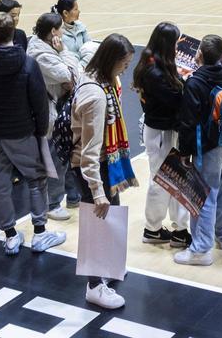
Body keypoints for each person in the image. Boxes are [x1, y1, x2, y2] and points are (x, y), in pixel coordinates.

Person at [0, 12, 62, 255]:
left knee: (0, 185)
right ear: (13, 32)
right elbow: (40, 102)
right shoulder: (28, 64)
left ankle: (10, 236)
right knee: (36, 180)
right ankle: (40, 233)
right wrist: (41, 130)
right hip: (22, 133)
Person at [71, 32, 138, 310]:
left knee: (109, 218)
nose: (125, 69)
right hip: (93, 167)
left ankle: (108, 269)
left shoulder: (98, 80)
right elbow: (88, 152)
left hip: (103, 164)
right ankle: (94, 286)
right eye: (123, 64)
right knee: (97, 222)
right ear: (111, 61)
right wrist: (97, 192)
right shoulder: (97, 96)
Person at [175, 34, 222, 266]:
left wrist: (183, 151)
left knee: (203, 195)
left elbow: (188, 122)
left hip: (208, 146)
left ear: (198, 54)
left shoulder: (195, 82)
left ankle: (201, 249)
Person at [132, 21, 192, 246]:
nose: (179, 47)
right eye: (176, 42)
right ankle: (152, 228)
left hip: (165, 129)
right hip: (160, 132)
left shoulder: (157, 62)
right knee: (161, 181)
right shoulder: (154, 71)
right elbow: (177, 99)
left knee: (176, 180)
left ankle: (179, 228)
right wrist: (188, 79)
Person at [27, 12, 82, 216]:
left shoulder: (46, 48)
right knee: (55, 157)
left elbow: (72, 77)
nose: (62, 33)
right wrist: (65, 52)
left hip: (58, 106)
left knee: (66, 153)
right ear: (53, 32)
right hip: (49, 110)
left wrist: (65, 63)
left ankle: (72, 195)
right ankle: (52, 203)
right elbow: (69, 74)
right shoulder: (41, 53)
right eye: (60, 28)